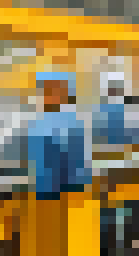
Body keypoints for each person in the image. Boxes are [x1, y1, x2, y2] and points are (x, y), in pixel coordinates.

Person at [27, 70, 91, 201]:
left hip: (71, 190)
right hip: (45, 191)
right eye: (47, 90)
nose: (50, 95)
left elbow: (78, 161)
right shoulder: (37, 123)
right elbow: (37, 163)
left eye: (56, 89)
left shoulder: (74, 122)